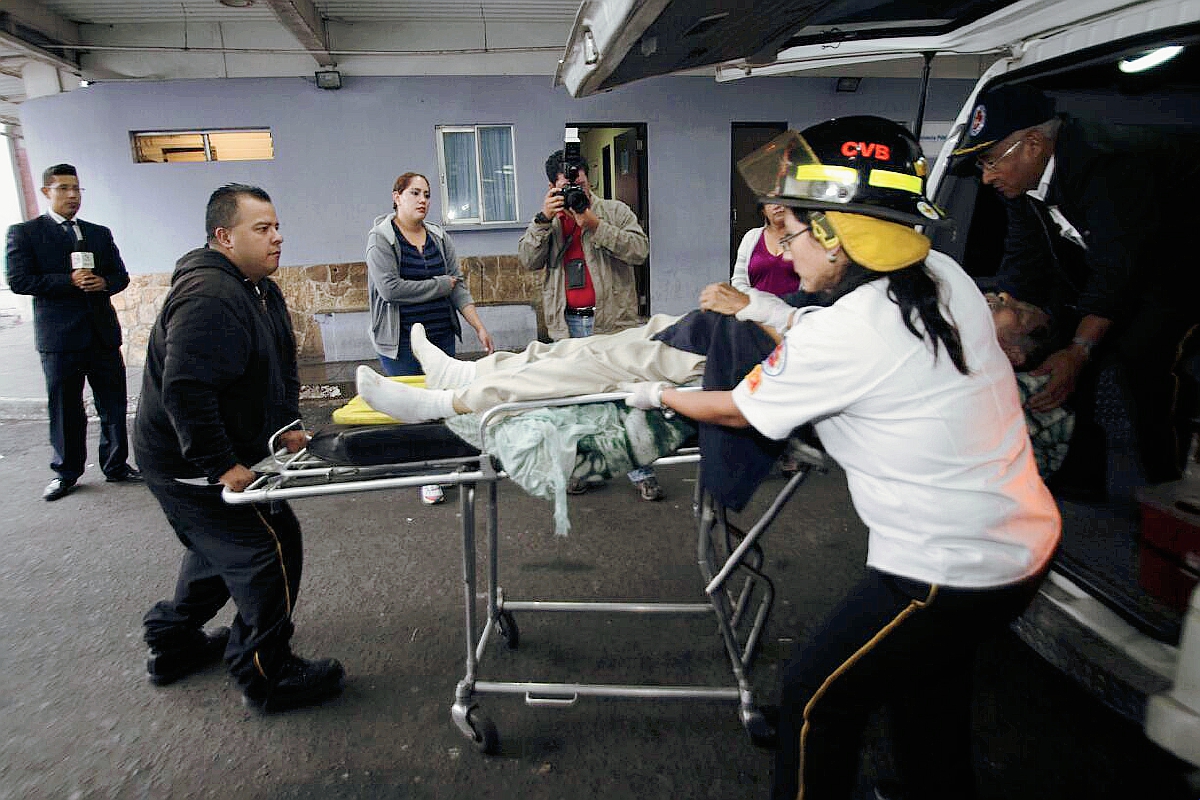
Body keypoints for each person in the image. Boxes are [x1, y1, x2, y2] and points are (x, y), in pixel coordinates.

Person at [620, 118, 1060, 799]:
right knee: (927, 691)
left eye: (792, 231)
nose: (786, 248)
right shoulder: (938, 275)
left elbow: (738, 408)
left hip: (945, 567)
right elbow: (844, 335)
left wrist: (654, 394)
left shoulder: (851, 330)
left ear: (834, 233)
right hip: (1018, 541)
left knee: (815, 703)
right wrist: (766, 308)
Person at [134, 184, 344, 712]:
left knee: (218, 549)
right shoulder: (209, 296)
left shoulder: (259, 289)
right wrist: (221, 464)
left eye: (277, 227)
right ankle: (266, 673)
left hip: (217, 453)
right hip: (189, 462)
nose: (277, 237)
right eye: (262, 228)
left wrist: (287, 424)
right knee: (269, 548)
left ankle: (173, 643)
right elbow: (185, 389)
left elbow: (280, 364)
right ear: (224, 236)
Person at [950, 83, 1200, 496]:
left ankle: (1164, 484)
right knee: (1065, 346)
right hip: (1126, 265)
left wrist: (1080, 350)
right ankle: (1079, 476)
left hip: (1180, 265)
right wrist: (1006, 317)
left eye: (991, 161)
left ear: (1033, 144)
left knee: (1141, 357)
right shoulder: (1021, 183)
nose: (987, 176)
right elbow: (1024, 255)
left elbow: (1119, 269)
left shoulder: (1109, 163)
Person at [517, 146, 662, 500]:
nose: (574, 191)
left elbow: (639, 251)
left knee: (625, 400)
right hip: (568, 326)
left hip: (612, 323)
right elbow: (528, 260)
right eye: (566, 186)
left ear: (588, 179)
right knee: (577, 405)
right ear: (552, 187)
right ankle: (587, 469)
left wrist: (595, 225)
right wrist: (542, 220)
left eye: (579, 183)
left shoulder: (614, 211)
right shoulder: (549, 221)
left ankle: (641, 471)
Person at [5, 163, 143, 501]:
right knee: (66, 408)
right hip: (60, 339)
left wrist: (104, 283)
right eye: (64, 188)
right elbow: (19, 280)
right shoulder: (26, 233)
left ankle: (116, 465)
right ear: (46, 192)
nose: (72, 195)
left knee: (113, 405)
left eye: (77, 189)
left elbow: (120, 276)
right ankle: (66, 473)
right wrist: (67, 281)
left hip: (101, 335)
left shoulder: (98, 233)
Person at [367, 171, 494, 505]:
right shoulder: (381, 239)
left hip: (440, 335)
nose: (422, 200)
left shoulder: (439, 237)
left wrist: (478, 325)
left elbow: (458, 286)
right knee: (413, 408)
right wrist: (440, 285)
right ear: (397, 196)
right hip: (400, 342)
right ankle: (426, 476)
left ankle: (446, 464)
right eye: (414, 193)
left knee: (443, 404)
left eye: (426, 194)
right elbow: (390, 289)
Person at [732, 202, 800, 297]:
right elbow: (738, 281)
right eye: (770, 202)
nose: (777, 206)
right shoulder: (751, 237)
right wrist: (756, 302)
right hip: (756, 305)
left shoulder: (804, 236)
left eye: (780, 200)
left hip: (797, 304)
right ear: (763, 210)